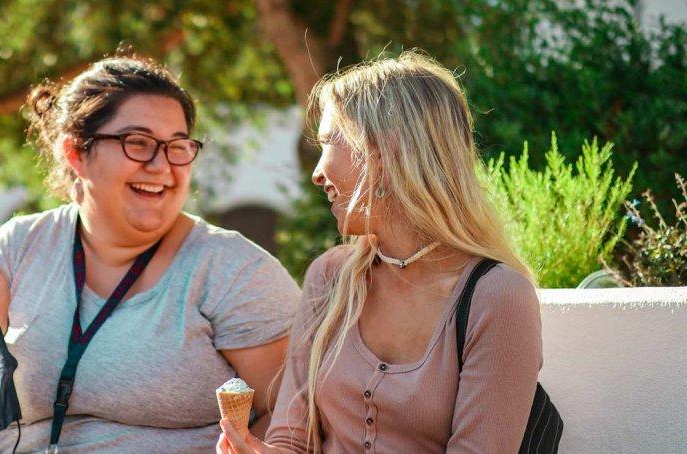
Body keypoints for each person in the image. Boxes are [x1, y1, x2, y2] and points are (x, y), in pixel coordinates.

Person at [0, 55, 301, 453]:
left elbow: (294, 414)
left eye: (177, 147)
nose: (161, 165)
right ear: (76, 153)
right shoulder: (20, 245)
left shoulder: (233, 269)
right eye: (137, 143)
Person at [217, 51, 543, 453]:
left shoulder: (497, 296)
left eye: (328, 144)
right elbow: (291, 439)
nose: (317, 172)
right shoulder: (330, 278)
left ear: (386, 153)